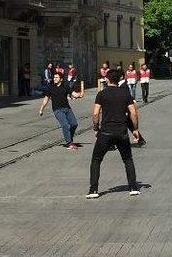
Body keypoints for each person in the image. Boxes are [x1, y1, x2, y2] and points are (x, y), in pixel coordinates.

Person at [87, 69, 140, 199]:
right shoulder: (125, 94)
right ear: (118, 80)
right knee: (127, 159)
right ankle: (133, 187)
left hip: (105, 132)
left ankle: (93, 190)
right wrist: (135, 129)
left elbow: (95, 113)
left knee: (96, 160)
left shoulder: (101, 94)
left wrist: (95, 128)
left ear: (107, 80)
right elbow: (133, 112)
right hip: (121, 131)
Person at [39, 72, 83, 150]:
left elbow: (74, 94)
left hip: (67, 109)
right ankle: (69, 143)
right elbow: (46, 99)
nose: (55, 79)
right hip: (57, 110)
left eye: (57, 77)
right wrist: (41, 109)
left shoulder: (65, 86)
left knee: (74, 124)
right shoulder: (50, 88)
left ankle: (70, 138)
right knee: (65, 125)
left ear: (61, 79)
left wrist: (79, 94)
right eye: (54, 77)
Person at [116, 69, 146, 147]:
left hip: (125, 110)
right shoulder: (120, 85)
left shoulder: (123, 86)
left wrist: (125, 110)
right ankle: (140, 140)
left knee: (120, 126)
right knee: (130, 125)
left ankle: (115, 143)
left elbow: (125, 99)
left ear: (121, 77)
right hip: (124, 110)